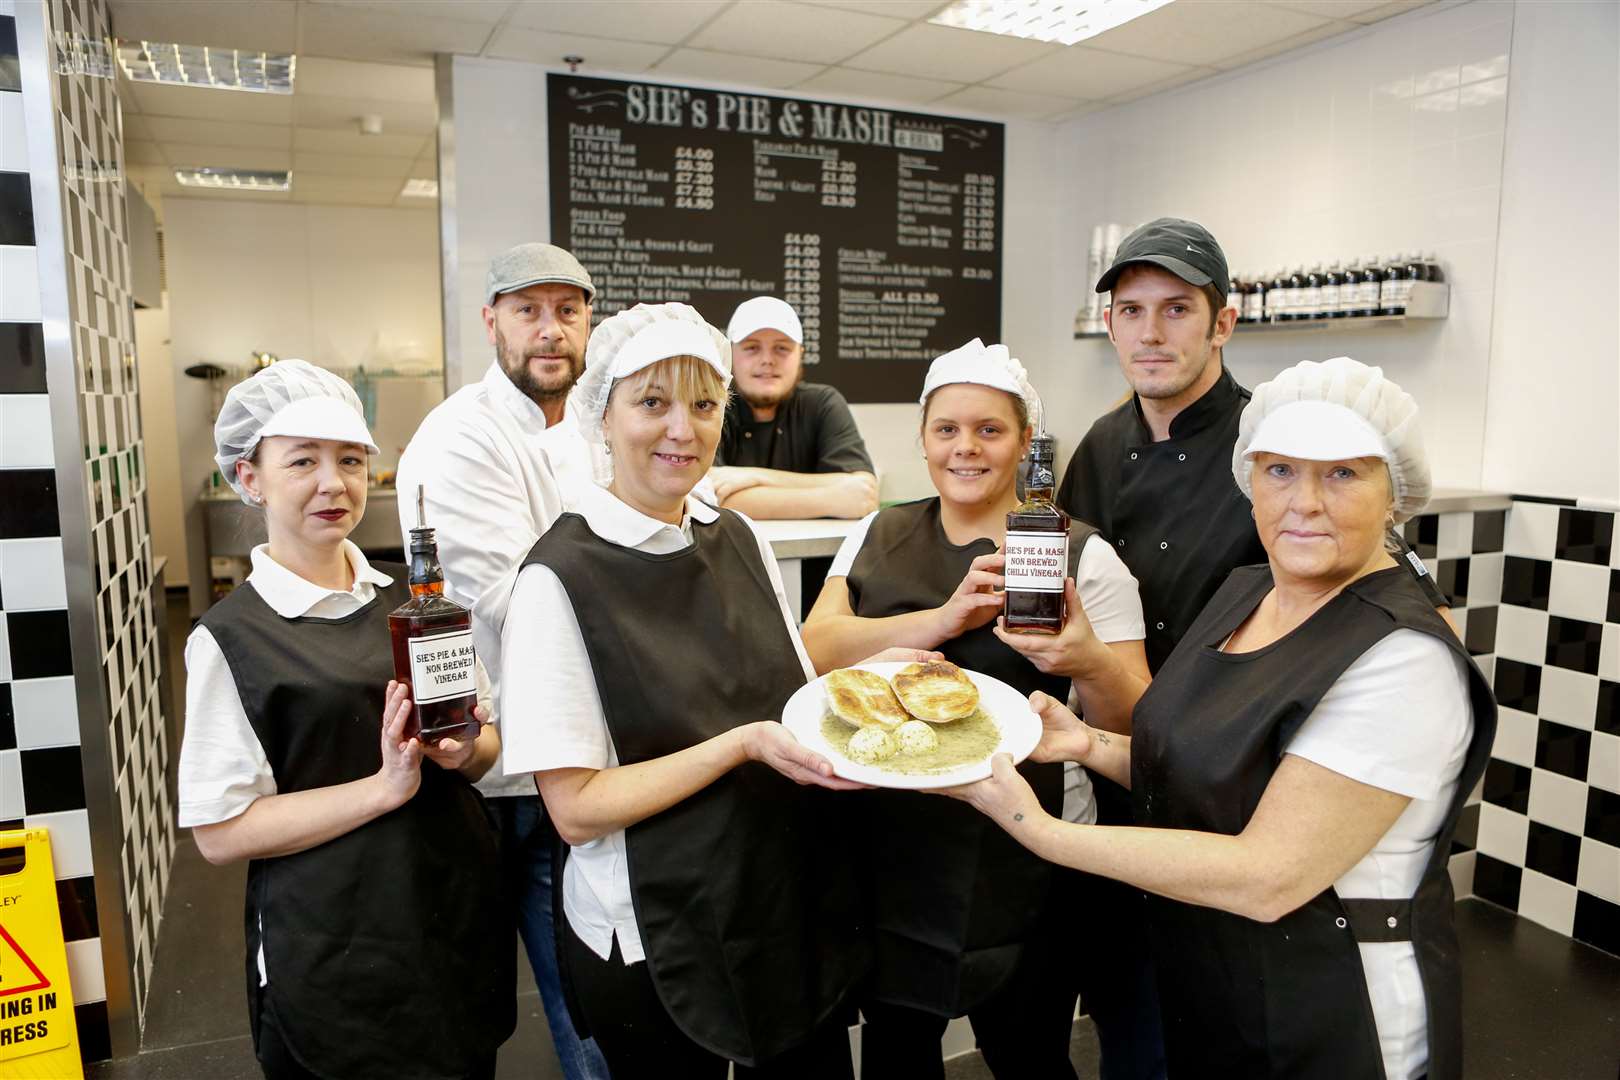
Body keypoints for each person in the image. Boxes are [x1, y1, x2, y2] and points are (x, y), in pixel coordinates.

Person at [950, 357, 1497, 1080]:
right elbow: (1223, 768)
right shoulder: (1248, 592)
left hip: (1331, 1009)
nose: (1303, 502)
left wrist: (1038, 830)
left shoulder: (1402, 657)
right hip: (1218, 983)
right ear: (1248, 479)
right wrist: (1093, 744)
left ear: (1394, 493)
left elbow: (1268, 874)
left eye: (1341, 474)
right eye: (1278, 471)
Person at [501, 303, 917, 1078]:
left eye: (702, 404)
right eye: (652, 403)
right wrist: (738, 746)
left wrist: (878, 685)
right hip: (659, 929)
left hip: (780, 899)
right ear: (603, 416)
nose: (681, 431)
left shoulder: (736, 535)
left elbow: (790, 695)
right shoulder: (559, 580)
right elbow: (577, 808)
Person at [800, 339, 1151, 1079]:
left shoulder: (1081, 556)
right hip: (888, 844)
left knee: (1028, 1055)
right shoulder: (879, 530)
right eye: (947, 429)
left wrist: (1081, 659)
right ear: (923, 440)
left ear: (1027, 442)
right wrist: (939, 620)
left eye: (990, 430)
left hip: (1027, 854)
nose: (966, 448)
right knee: (898, 1056)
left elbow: (1134, 725)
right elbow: (817, 644)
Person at [178, 360, 513, 1080]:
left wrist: (467, 751)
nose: (333, 483)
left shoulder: (417, 600)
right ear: (250, 477)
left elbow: (486, 744)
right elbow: (219, 830)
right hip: (331, 941)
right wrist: (381, 788)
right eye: (302, 460)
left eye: (351, 460)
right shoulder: (232, 637)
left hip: (447, 914)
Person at [393, 242, 609, 1080]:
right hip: (497, 769)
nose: (551, 331)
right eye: (529, 311)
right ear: (492, 323)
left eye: (568, 309)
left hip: (583, 752)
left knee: (595, 995)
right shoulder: (460, 439)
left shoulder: (596, 425)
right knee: (497, 1005)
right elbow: (523, 605)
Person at [708, 295, 879, 520]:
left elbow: (863, 496)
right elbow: (706, 497)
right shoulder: (711, 407)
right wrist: (833, 497)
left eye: (782, 348)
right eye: (751, 348)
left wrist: (752, 477)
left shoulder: (822, 403)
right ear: (728, 355)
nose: (767, 360)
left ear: (801, 355)